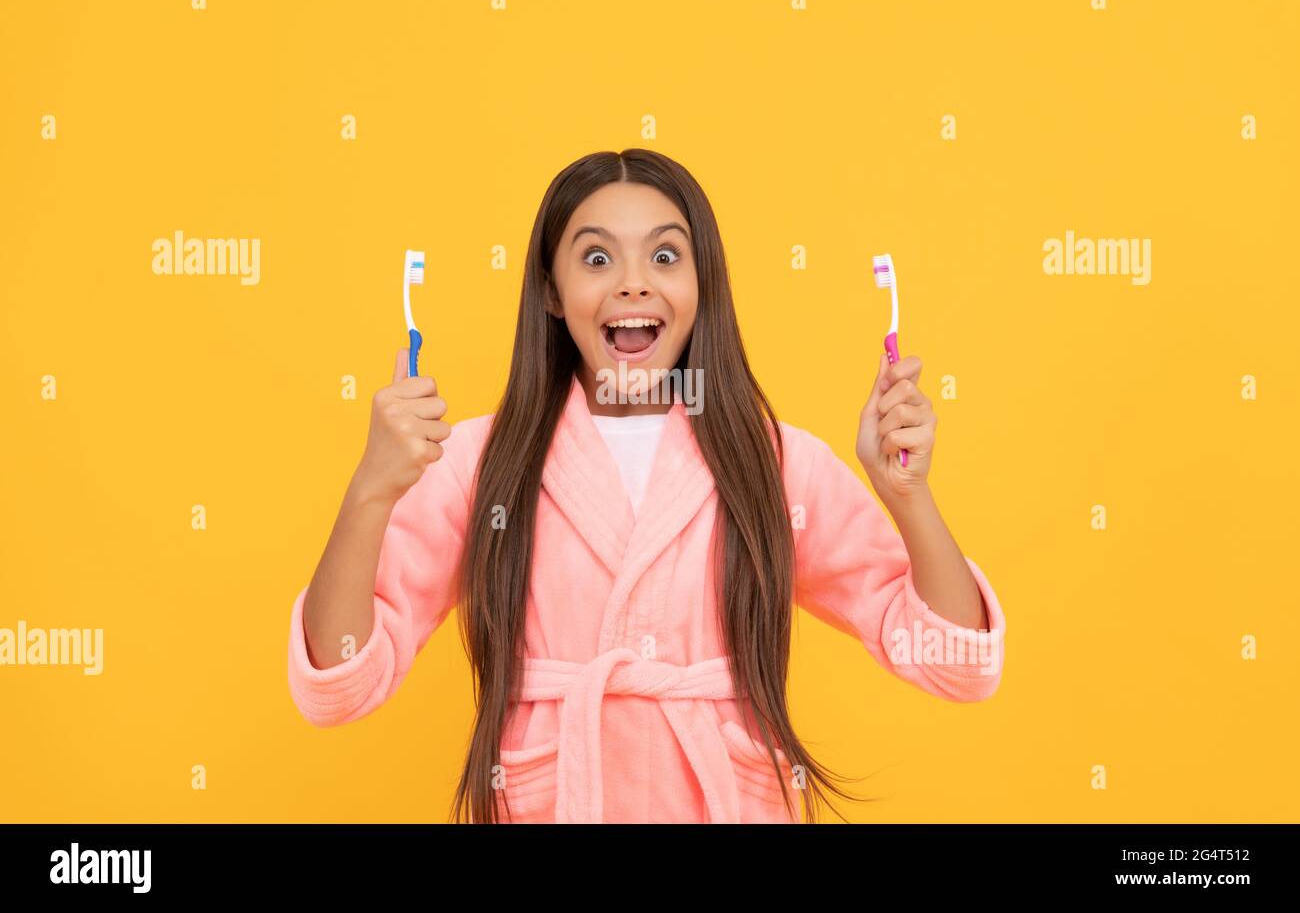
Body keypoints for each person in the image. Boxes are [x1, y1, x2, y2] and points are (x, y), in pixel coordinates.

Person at [287, 148, 1005, 823]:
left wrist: (907, 497)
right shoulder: (479, 464)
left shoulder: (775, 464)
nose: (633, 281)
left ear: (701, 287)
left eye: (665, 256)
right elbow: (339, 684)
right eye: (597, 258)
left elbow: (957, 662)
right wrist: (370, 493)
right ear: (551, 291)